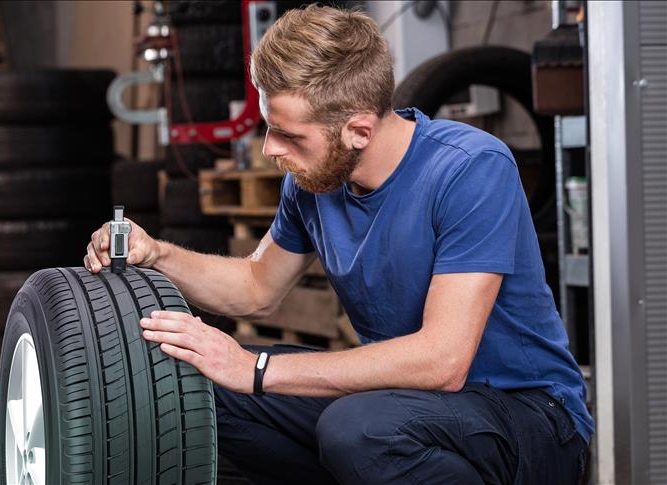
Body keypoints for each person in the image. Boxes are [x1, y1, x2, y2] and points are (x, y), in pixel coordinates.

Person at [85, 4, 592, 484]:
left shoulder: (469, 169)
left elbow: (443, 361)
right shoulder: (314, 183)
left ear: (358, 130)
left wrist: (257, 368)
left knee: (359, 429)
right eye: (268, 128)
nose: (270, 149)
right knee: (200, 385)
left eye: (289, 135)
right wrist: (159, 254)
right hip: (404, 406)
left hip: (530, 418)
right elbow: (256, 287)